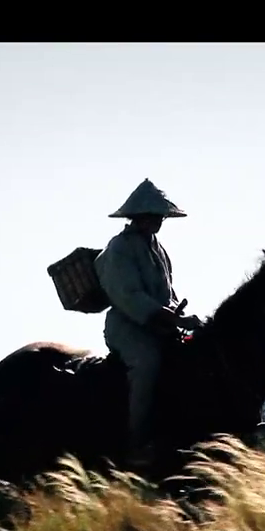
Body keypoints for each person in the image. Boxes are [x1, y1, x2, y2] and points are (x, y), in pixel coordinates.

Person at [94, 178, 203, 467]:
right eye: (153, 215)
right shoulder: (119, 248)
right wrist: (169, 316)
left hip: (159, 327)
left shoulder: (158, 249)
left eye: (160, 216)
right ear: (138, 216)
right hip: (127, 327)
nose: (158, 221)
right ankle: (136, 443)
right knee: (147, 364)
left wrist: (178, 316)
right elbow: (128, 296)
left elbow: (167, 293)